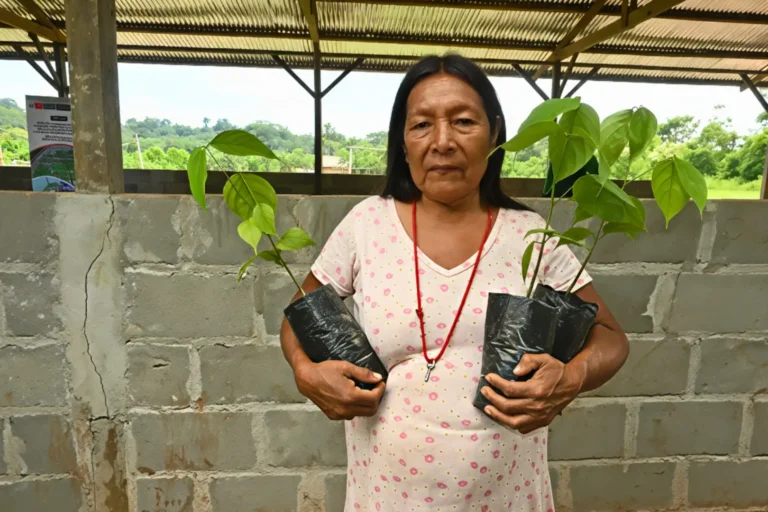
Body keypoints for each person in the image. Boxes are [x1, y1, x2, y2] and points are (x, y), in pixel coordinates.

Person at [280, 54, 630, 512]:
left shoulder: (529, 234)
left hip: (509, 497)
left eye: (464, 121)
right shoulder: (366, 225)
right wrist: (307, 374)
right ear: (402, 143)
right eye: (421, 125)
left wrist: (572, 376)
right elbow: (298, 319)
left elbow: (611, 338)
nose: (442, 142)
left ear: (495, 134)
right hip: (386, 498)